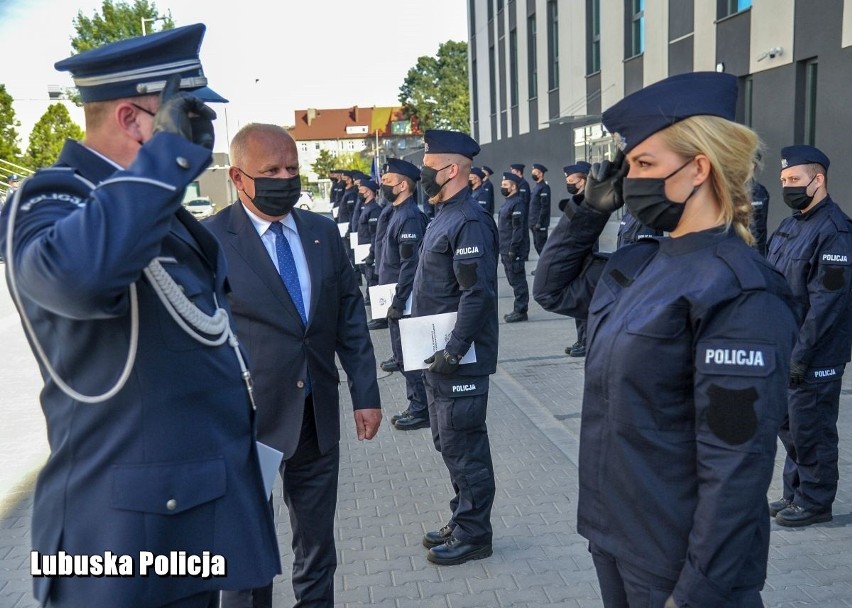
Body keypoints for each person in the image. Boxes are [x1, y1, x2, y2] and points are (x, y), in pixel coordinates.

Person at [0, 25, 281, 608]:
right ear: (133, 121)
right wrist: (167, 157)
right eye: (189, 119)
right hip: (120, 545)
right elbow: (78, 278)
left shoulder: (155, 209)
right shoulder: (49, 203)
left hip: (187, 520)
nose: (201, 139)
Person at [533, 72, 797, 607]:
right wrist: (590, 209)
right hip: (615, 534)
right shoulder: (640, 262)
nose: (631, 180)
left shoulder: (736, 287)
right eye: (628, 167)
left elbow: (737, 465)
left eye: (644, 165)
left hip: (678, 560)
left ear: (698, 167)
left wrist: (698, 592)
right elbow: (552, 288)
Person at [204, 123, 382, 608]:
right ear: (239, 178)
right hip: (246, 424)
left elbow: (349, 315)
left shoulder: (322, 232)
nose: (286, 178)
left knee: (317, 544)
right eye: (272, 171)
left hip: (315, 416)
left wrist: (366, 394)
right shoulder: (210, 241)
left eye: (292, 168)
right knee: (246, 552)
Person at [412, 129, 499, 566]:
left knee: (465, 447)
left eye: (428, 166)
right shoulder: (443, 214)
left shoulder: (469, 220)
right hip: (439, 356)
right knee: (447, 443)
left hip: (458, 359)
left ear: (450, 170)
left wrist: (454, 348)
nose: (421, 174)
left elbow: (476, 294)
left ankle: (475, 534)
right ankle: (462, 517)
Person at [765, 144, 852, 528]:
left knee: (811, 426)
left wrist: (801, 355)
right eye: (784, 180)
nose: (787, 186)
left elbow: (828, 303)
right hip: (785, 346)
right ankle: (795, 491)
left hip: (816, 351)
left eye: (795, 180)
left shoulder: (834, 231)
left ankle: (816, 501)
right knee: (790, 424)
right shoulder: (790, 224)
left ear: (818, 180)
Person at [375, 157, 430, 431]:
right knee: (402, 355)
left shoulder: (409, 217)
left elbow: (410, 265)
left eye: (388, 182)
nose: (383, 185)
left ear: (404, 185)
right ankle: (417, 405)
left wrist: (397, 301)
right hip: (395, 297)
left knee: (410, 357)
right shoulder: (397, 212)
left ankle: (421, 409)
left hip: (405, 300)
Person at [560, 161, 593, 357]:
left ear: (582, 181)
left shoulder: (587, 202)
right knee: (577, 302)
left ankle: (587, 342)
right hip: (574, 257)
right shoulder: (578, 200)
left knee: (583, 301)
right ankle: (581, 339)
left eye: (571, 180)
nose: (568, 183)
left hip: (583, 257)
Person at [498, 171, 530, 323]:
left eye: (505, 185)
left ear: (513, 186)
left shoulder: (517, 203)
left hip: (513, 250)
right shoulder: (508, 202)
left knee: (518, 281)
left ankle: (521, 310)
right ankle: (518, 308)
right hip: (505, 248)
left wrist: (513, 248)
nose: (502, 187)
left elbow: (518, 229)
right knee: (513, 280)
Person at [356, 178, 381, 294]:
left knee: (371, 277)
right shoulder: (366, 207)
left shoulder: (374, 210)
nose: (359, 193)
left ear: (368, 192)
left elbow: (375, 235)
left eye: (361, 190)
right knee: (365, 272)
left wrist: (372, 253)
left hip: (369, 249)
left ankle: (370, 297)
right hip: (362, 248)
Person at [509, 163, 532, 260]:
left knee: (524, 233)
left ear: (519, 172)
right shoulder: (518, 184)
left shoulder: (523, 184)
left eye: (514, 172)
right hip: (519, 211)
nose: (512, 174)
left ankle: (524, 254)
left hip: (523, 212)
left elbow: (524, 200)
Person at [529, 163, 551, 255]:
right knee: (537, 245)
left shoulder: (544, 188)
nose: (533, 174)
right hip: (533, 222)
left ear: (541, 174)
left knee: (542, 247)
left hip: (540, 223)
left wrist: (540, 222)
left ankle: (546, 267)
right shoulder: (536, 187)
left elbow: (544, 207)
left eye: (535, 172)